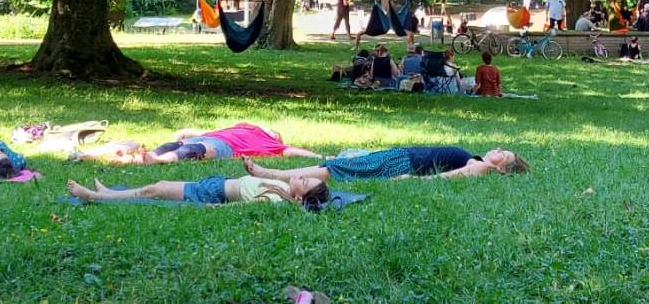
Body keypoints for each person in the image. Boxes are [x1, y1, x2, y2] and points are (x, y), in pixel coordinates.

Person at [242, 146, 529, 183]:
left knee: (339, 169)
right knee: (341, 166)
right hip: (402, 156)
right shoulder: (479, 160)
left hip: (402, 163)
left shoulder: (480, 168)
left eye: (503, 155)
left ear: (501, 168)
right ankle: (278, 174)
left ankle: (274, 174)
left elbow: (447, 177)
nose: (499, 150)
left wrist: (411, 180)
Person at [70, 123, 322, 164]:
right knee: (184, 148)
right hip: (207, 141)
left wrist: (322, 158)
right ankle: (148, 158)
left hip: (211, 143)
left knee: (189, 149)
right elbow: (190, 131)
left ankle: (145, 158)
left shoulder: (268, 141)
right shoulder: (246, 129)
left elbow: (292, 151)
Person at [67, 173, 331, 210]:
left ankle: (95, 196)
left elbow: (245, 207)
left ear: (299, 197)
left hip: (211, 194)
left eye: (305, 182)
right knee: (157, 186)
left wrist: (216, 208)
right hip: (215, 183)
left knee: (155, 189)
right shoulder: (285, 187)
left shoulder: (275, 200)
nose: (302, 177)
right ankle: (110, 192)